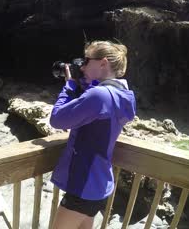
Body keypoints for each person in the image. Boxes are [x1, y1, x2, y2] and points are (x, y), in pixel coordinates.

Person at [49, 40, 136, 229]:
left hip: (83, 187)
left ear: (103, 63)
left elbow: (57, 119)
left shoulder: (99, 96)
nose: (83, 67)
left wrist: (70, 86)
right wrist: (86, 83)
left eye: (87, 61)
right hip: (99, 184)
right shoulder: (122, 95)